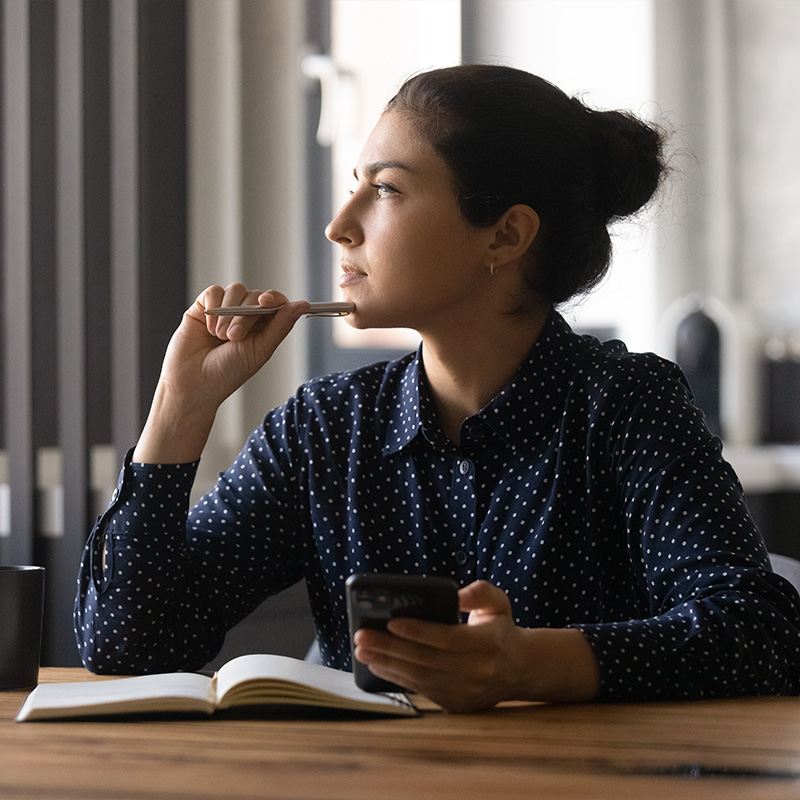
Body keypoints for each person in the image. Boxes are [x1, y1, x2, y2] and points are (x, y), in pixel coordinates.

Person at [74, 64, 800, 711]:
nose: (338, 227)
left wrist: (528, 665)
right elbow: (125, 645)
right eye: (353, 186)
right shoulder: (325, 427)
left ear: (506, 237)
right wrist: (182, 403)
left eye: (386, 189)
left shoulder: (624, 405)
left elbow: (758, 631)